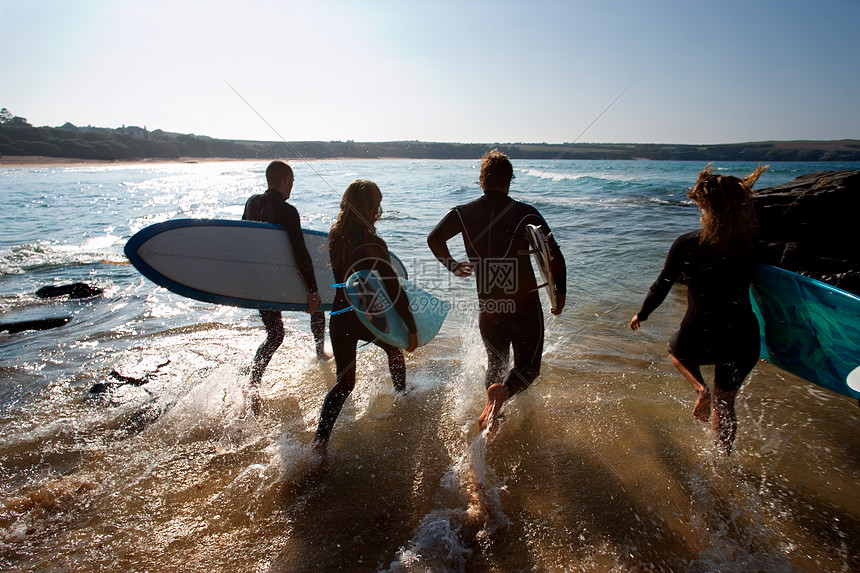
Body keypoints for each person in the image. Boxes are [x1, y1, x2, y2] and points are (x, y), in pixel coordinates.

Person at [629, 163, 768, 455]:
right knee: (726, 401)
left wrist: (642, 314)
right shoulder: (752, 245)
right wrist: (773, 345)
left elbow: (661, 286)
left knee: (674, 350)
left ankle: (698, 388)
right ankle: (721, 461)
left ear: (707, 207)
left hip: (701, 330)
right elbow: (772, 295)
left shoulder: (688, 243)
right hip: (743, 335)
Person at [427, 149, 566, 432]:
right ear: (509, 180)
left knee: (496, 362)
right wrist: (559, 294)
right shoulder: (524, 212)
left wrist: (452, 265)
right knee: (529, 367)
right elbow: (554, 256)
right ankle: (503, 395)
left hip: (489, 305)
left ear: (482, 180)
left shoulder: (462, 213)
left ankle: (493, 403)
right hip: (524, 304)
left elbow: (434, 239)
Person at [312, 180, 418, 453]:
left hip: (340, 314)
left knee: (344, 383)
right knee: (394, 349)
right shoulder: (374, 243)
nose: (379, 211)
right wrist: (411, 328)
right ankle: (401, 394)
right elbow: (393, 290)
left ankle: (320, 441)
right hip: (366, 316)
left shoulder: (336, 236)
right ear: (370, 207)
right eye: (376, 204)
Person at [243, 160, 328, 414]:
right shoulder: (288, 211)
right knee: (319, 306)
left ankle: (252, 385)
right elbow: (300, 253)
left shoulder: (252, 203)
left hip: (258, 281)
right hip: (282, 280)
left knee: (275, 334)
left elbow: (243, 238)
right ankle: (320, 353)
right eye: (291, 182)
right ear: (285, 181)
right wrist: (312, 289)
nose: (291, 186)